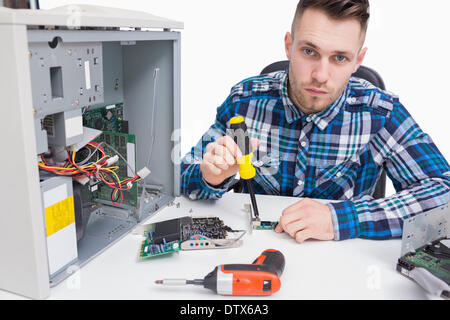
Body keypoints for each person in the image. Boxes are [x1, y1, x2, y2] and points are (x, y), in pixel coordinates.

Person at [180, 0, 450, 243]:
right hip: (251, 252)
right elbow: (181, 176)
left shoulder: (382, 113)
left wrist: (342, 218)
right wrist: (209, 177)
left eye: (340, 58)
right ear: (289, 45)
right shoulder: (245, 102)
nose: (321, 75)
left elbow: (444, 196)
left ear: (358, 60)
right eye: (309, 51)